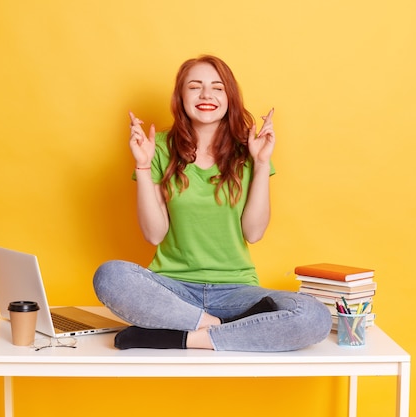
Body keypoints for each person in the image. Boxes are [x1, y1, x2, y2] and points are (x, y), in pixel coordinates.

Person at [93, 55, 331, 351]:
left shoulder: (249, 151)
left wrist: (260, 162)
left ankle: (178, 338)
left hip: (237, 291)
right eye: (195, 87)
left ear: (229, 97)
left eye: (217, 88)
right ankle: (218, 327)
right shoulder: (159, 149)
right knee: (109, 276)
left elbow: (254, 233)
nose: (206, 95)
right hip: (173, 290)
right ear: (181, 97)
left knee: (314, 316)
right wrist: (142, 166)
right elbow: (154, 234)